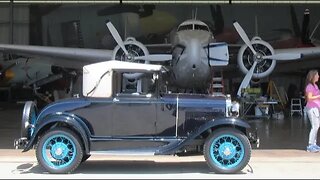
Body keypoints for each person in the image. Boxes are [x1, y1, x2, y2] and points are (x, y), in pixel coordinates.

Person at [305, 70, 320, 152]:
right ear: (313, 76)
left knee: (316, 126)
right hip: (312, 108)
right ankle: (310, 145)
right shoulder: (310, 86)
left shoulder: (315, 86)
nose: (318, 76)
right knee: (315, 126)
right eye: (317, 75)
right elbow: (309, 98)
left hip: (316, 108)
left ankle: (314, 144)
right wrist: (318, 96)